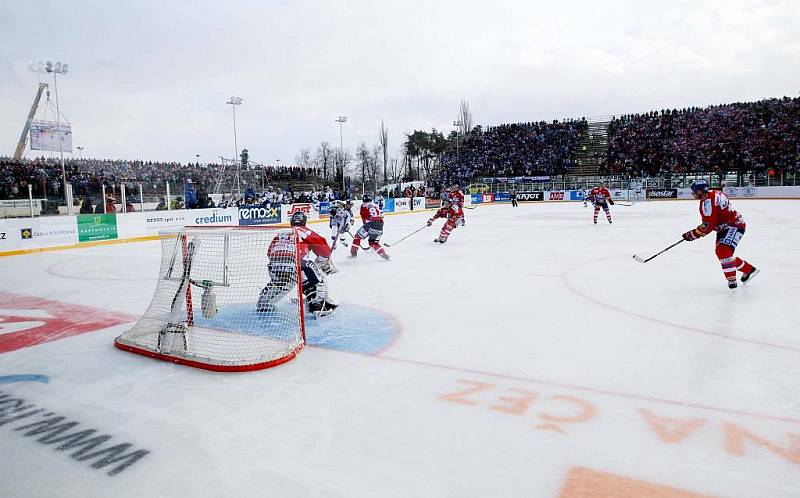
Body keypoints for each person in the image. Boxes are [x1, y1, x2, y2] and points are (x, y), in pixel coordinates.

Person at [257, 211, 338, 317]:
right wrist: (322, 260)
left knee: (280, 283)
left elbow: (269, 251)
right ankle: (317, 307)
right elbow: (325, 250)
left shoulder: (282, 233)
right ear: (304, 222)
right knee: (314, 282)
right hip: (298, 263)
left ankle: (263, 303)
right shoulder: (305, 231)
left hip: (274, 265)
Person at [681, 180, 759, 290]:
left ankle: (732, 282)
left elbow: (708, 225)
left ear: (701, 191)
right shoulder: (711, 195)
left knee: (723, 251)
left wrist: (693, 234)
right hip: (726, 227)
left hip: (734, 225)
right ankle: (748, 269)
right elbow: (711, 222)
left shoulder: (708, 202)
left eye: (694, 191)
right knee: (722, 253)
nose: (692, 194)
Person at [349, 194, 390, 260]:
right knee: (373, 242)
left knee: (357, 237)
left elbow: (364, 216)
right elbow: (380, 215)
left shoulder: (363, 205)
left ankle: (353, 254)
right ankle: (383, 254)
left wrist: (365, 227)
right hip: (380, 224)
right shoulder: (376, 205)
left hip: (370, 224)